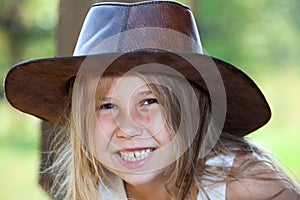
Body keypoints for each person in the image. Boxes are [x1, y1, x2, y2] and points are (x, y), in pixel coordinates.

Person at [4, 1, 300, 200]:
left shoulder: (246, 186)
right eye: (106, 106)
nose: (127, 128)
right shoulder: (100, 187)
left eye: (149, 101)